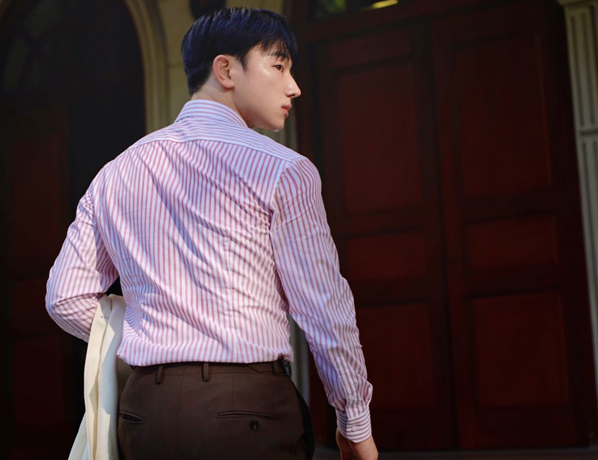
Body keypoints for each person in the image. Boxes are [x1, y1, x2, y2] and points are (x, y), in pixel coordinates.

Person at [46, 7, 377, 460]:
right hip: (248, 410)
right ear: (226, 70)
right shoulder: (283, 170)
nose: (294, 86)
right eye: (279, 66)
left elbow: (65, 297)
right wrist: (354, 422)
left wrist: (150, 337)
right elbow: (324, 309)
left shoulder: (114, 174)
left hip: (144, 412)